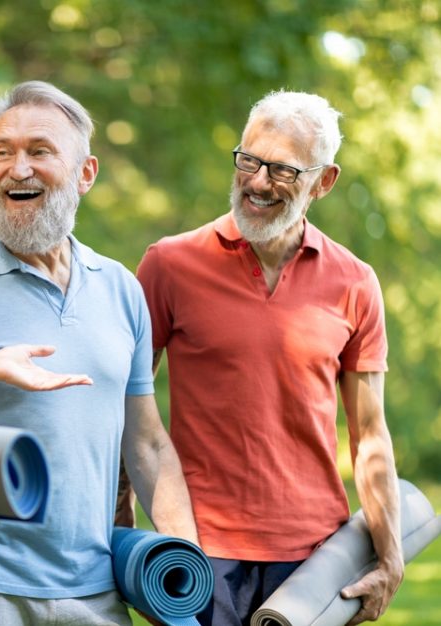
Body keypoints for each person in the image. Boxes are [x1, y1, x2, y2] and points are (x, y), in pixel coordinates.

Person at [0, 80, 198, 626]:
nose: (18, 169)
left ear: (85, 174)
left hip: (97, 595)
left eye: (39, 151)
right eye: (3, 152)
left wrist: (185, 569)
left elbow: (148, 444)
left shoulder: (121, 289)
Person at [134, 90, 403, 626]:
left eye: (282, 170)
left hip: (316, 560)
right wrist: (124, 531)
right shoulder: (168, 265)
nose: (258, 182)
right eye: (249, 161)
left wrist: (390, 558)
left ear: (323, 181)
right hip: (200, 549)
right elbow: (126, 411)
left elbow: (370, 435)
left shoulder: (355, 282)